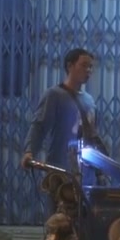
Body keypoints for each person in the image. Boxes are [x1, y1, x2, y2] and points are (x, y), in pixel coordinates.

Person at [21, 48, 110, 176]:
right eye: (84, 65)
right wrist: (29, 151)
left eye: (90, 67)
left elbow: (93, 134)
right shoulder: (54, 95)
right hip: (60, 169)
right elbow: (39, 125)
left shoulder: (89, 101)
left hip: (86, 170)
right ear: (70, 66)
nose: (88, 70)